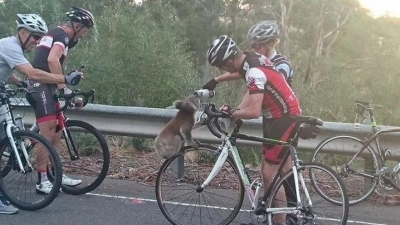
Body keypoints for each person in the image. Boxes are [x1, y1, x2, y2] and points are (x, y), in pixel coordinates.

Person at [206, 35, 300, 225]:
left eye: (220, 66)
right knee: (284, 169)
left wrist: (232, 113)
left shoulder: (254, 71)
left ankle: (279, 220)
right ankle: (292, 214)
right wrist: (217, 80)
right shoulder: (251, 59)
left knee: (268, 173)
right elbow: (240, 75)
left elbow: (254, 111)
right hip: (279, 115)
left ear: (229, 61)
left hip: (283, 118)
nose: (221, 69)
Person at [0, 13, 82, 214]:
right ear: (22, 32)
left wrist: (19, 82)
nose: (38, 42)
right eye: (35, 37)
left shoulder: (13, 48)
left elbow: (7, 71)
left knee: (3, 137)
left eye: (39, 38)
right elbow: (33, 72)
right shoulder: (10, 45)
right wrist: (62, 78)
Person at [26, 6, 94, 194]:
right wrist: (64, 88)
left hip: (46, 85)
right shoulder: (63, 35)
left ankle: (56, 174)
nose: (84, 36)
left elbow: (57, 64)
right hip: (39, 84)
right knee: (47, 134)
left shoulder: (57, 33)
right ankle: (42, 180)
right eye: (85, 31)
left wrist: (65, 85)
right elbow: (52, 60)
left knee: (56, 134)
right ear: (77, 26)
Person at [202, 20, 293, 91]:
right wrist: (216, 80)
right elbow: (241, 71)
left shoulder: (282, 65)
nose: (253, 50)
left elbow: (274, 84)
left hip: (284, 114)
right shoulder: (259, 61)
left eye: (257, 46)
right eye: (252, 46)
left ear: (270, 44)